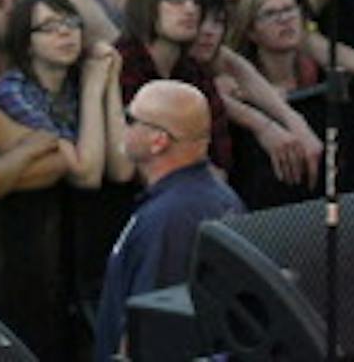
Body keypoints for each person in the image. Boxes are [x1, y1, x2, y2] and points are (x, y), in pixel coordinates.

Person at [92, 80, 242, 362]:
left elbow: (149, 331)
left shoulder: (169, 219)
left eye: (130, 118)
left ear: (158, 141)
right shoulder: (218, 197)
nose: (122, 124)